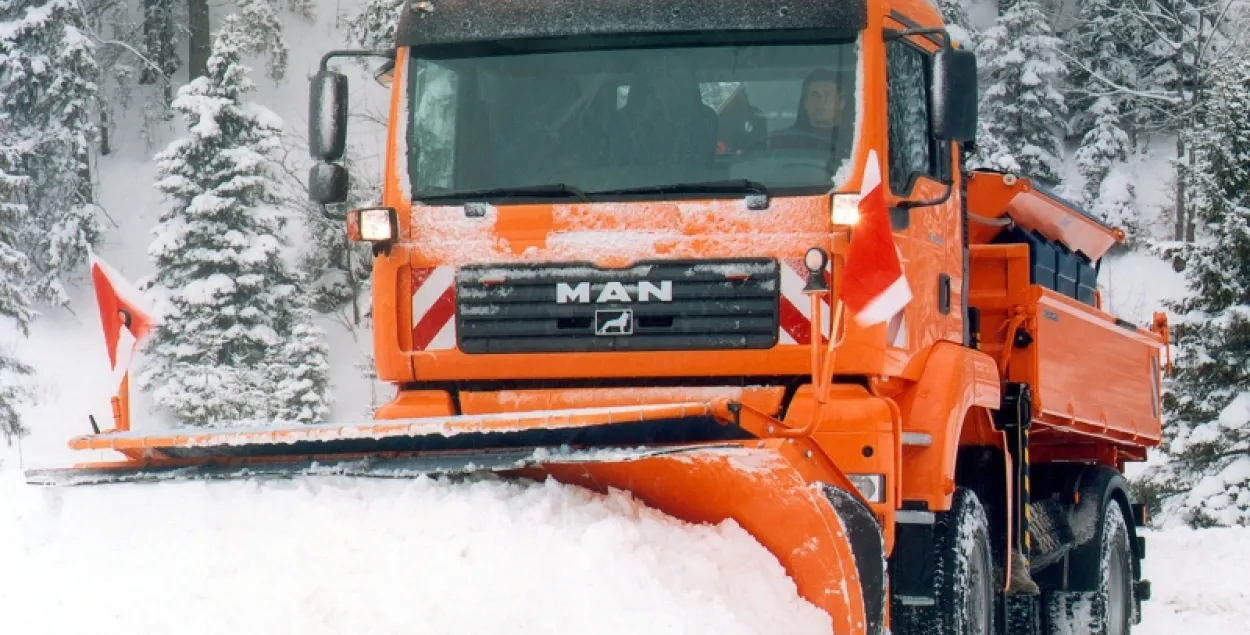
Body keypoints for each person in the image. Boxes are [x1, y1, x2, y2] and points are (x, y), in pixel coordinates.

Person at [766, 68, 849, 153]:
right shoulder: (783, 141)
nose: (821, 100)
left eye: (828, 94)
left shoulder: (855, 140)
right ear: (805, 102)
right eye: (815, 95)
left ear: (841, 101)